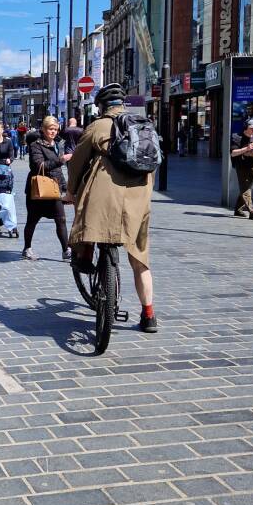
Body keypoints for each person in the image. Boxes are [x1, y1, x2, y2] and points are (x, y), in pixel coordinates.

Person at [67, 82, 157, 333]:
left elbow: (76, 164)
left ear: (102, 106)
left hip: (105, 195)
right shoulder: (143, 125)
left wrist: (71, 192)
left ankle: (84, 257)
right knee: (140, 260)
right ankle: (149, 314)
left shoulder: (98, 126)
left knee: (86, 217)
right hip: (139, 197)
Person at [22, 116, 73, 261]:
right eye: (51, 129)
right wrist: (61, 160)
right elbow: (39, 166)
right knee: (32, 220)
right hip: (38, 189)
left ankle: (65, 250)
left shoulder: (57, 145)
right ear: (43, 129)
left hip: (53, 188)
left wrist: (65, 188)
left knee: (61, 219)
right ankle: (27, 248)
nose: (53, 132)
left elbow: (57, 171)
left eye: (56, 129)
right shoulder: (35, 145)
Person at [231, 118, 253, 219]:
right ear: (246, 127)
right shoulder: (236, 137)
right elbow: (233, 153)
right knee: (245, 189)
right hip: (241, 166)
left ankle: (238, 210)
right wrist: (247, 149)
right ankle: (251, 211)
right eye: (252, 128)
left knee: (247, 188)